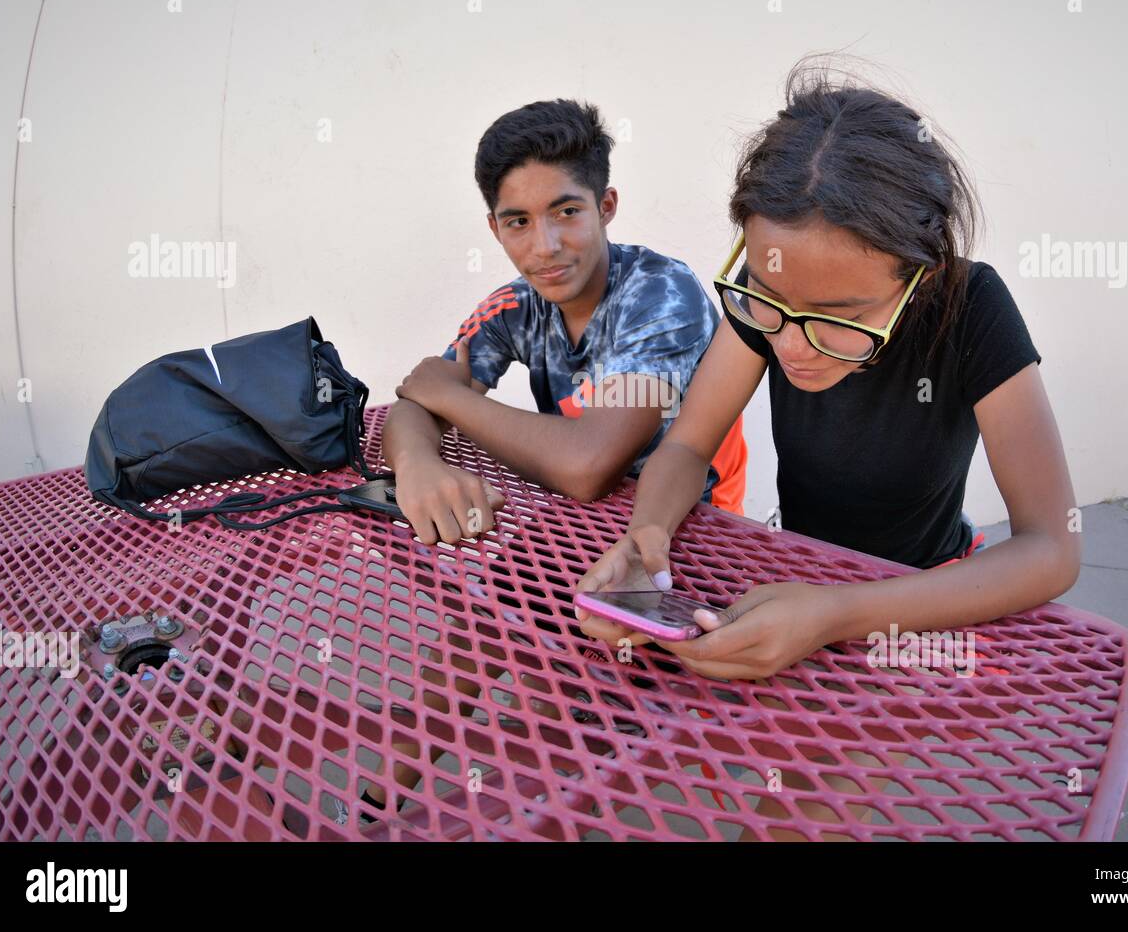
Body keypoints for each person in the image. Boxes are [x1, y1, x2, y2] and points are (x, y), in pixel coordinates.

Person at [573, 62, 1081, 836]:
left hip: (922, 599)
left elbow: (1051, 548)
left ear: (921, 273)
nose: (793, 344)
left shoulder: (971, 309)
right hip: (792, 571)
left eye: (839, 315)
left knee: (795, 819)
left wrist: (838, 614)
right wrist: (647, 541)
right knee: (606, 753)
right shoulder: (777, 287)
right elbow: (687, 447)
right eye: (769, 307)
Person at [364, 98, 747, 822]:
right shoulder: (520, 304)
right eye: (519, 222)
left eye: (566, 212)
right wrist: (416, 465)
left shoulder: (660, 294)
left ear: (605, 206)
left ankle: (564, 790)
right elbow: (416, 403)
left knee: (556, 705)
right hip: (580, 528)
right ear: (496, 229)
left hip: (689, 536)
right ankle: (370, 805)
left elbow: (586, 465)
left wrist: (450, 399)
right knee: (479, 633)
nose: (546, 244)